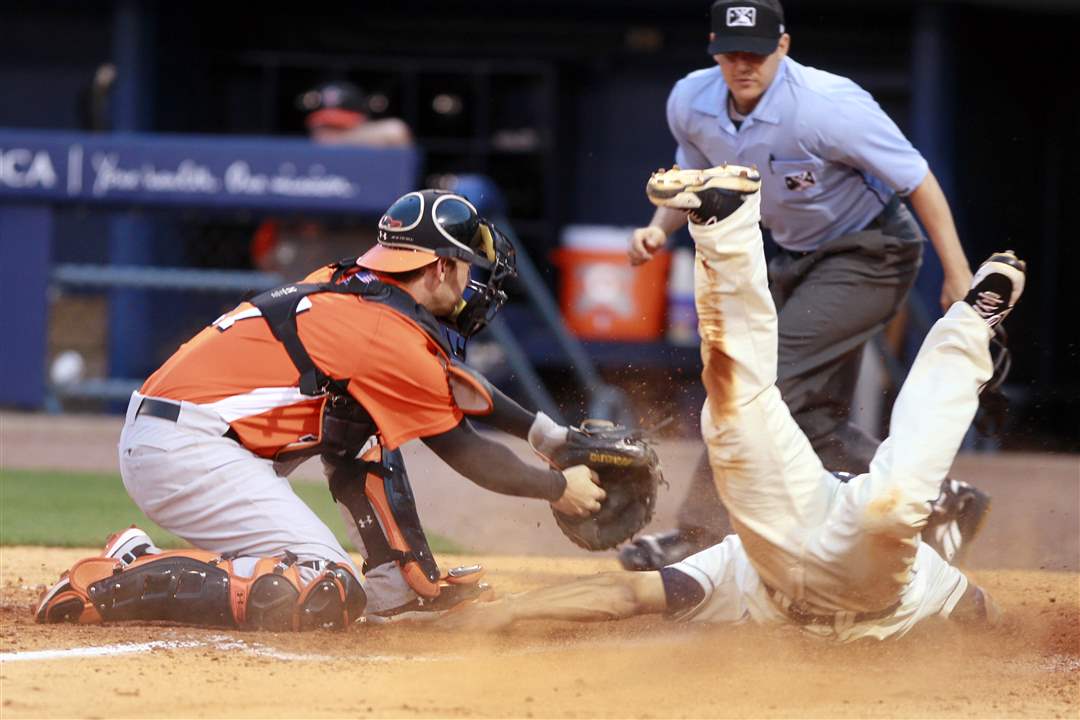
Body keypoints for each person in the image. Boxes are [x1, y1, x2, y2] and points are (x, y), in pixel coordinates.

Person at [446, 166, 1023, 642]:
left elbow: (986, 618)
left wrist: (1008, 634)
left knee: (890, 507)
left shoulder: (754, 572)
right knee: (732, 417)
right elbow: (628, 593)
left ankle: (972, 326)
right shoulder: (741, 565)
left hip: (868, 566)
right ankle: (726, 223)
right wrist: (517, 609)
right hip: (798, 531)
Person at [34, 189, 604, 630]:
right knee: (320, 588)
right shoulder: (383, 330)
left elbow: (448, 384)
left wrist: (549, 437)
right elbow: (466, 452)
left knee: (363, 425)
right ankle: (114, 582)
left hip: (192, 438)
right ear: (435, 268)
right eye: (464, 268)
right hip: (189, 451)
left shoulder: (356, 286)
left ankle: (400, 588)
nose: (470, 284)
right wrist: (560, 489)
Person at [620, 0, 987, 571]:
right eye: (731, 53)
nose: (744, 65)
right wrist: (656, 228)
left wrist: (957, 271)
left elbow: (917, 178)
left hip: (870, 251)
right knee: (810, 420)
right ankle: (942, 503)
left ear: (783, 47)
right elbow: (691, 172)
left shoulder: (826, 106)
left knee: (755, 382)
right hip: (792, 253)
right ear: (715, 51)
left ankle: (697, 535)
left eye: (757, 53)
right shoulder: (691, 100)